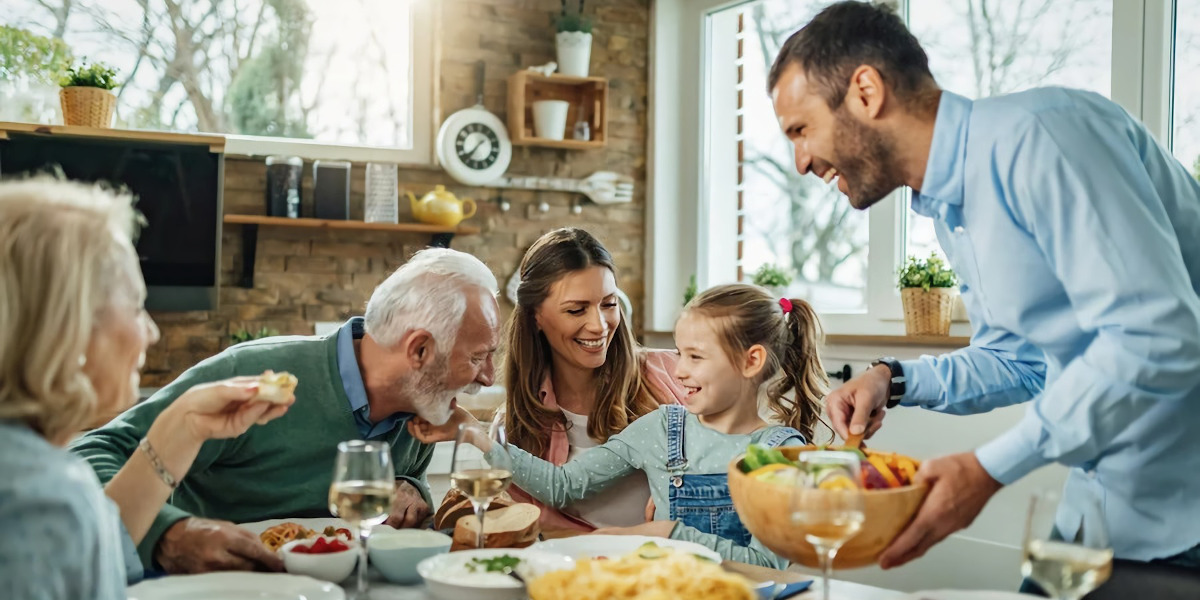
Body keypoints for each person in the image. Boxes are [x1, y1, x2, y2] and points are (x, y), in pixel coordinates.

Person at [768, 0, 1200, 573]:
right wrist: (892, 379)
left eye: (801, 129)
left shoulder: (1045, 135)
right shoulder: (953, 206)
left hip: (1183, 522)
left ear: (866, 92)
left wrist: (988, 468)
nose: (799, 162)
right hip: (1097, 517)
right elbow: (1021, 361)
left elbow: (1157, 336)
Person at [71, 246, 501, 574]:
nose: (488, 377)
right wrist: (168, 533)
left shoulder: (424, 408)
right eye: (480, 356)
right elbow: (89, 455)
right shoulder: (256, 373)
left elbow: (400, 504)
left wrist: (411, 490)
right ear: (420, 349)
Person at [0, 178, 293, 599]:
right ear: (71, 328)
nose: (151, 333)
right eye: (137, 307)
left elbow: (100, 549)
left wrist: (185, 424)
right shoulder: (42, 502)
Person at [413, 284, 828, 568]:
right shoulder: (664, 428)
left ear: (751, 361)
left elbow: (768, 565)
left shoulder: (778, 453)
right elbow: (563, 485)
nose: (679, 371)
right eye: (680, 354)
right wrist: (476, 435)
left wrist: (669, 533)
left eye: (696, 358)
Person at [500, 228, 685, 532]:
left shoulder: (673, 373)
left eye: (609, 304)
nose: (599, 325)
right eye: (576, 309)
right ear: (535, 316)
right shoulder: (517, 425)